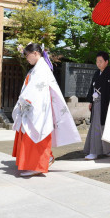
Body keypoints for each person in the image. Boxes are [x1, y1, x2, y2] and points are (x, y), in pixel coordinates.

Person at [12, 43, 81, 177]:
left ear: (36, 53)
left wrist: (25, 100)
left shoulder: (41, 68)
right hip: (34, 107)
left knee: (36, 134)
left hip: (38, 108)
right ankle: (43, 159)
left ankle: (37, 165)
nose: (27, 58)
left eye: (27, 55)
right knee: (34, 135)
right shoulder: (38, 68)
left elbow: (37, 90)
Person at [84, 51, 110, 160]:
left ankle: (108, 150)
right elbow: (91, 88)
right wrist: (90, 101)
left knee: (106, 126)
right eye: (97, 61)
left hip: (107, 103)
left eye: (101, 61)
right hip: (97, 102)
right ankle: (94, 151)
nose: (98, 64)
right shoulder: (96, 73)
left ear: (106, 62)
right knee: (96, 126)